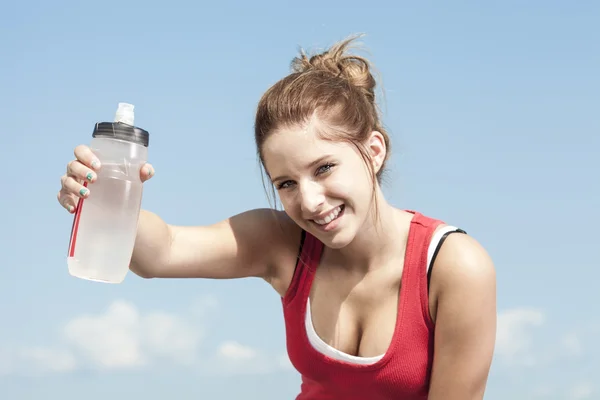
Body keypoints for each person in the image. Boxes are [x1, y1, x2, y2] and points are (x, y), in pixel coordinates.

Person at [57, 36, 496, 400]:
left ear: (374, 151)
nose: (310, 201)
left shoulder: (453, 267)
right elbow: (161, 253)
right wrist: (103, 193)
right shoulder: (284, 245)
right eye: (286, 183)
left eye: (324, 168)